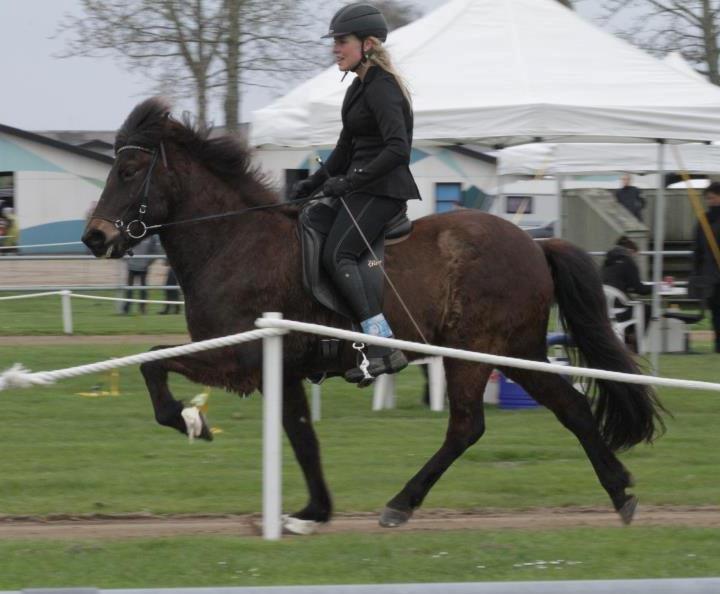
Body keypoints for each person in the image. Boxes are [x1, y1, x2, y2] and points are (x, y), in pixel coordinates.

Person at [288, 3, 421, 384]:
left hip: (383, 191)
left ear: (369, 43)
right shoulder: (357, 89)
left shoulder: (383, 88)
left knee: (339, 253)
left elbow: (398, 150)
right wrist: (310, 184)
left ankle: (382, 346)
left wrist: (349, 181)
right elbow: (345, 150)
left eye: (341, 42)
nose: (335, 49)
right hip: (361, 187)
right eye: (335, 42)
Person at [601, 236, 652, 348]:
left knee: (636, 308)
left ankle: (627, 338)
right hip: (620, 309)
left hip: (604, 308)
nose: (635, 258)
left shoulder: (606, 262)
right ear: (631, 251)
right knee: (647, 309)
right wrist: (656, 287)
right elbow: (640, 289)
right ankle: (636, 345)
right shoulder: (628, 262)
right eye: (635, 255)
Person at [691, 182, 720, 353]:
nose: (710, 201)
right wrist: (697, 274)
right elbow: (697, 250)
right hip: (711, 276)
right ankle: (718, 345)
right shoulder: (704, 221)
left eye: (713, 197)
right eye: (708, 198)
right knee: (716, 312)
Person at [122, 234, 161, 314]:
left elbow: (156, 250)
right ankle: (127, 307)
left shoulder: (150, 236)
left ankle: (142, 308)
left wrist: (149, 262)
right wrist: (127, 259)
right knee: (130, 288)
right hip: (132, 265)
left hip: (144, 266)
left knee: (143, 289)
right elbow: (124, 246)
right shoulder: (132, 233)